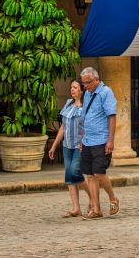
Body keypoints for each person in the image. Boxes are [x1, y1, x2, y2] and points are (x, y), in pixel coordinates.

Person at [79, 66, 120, 219]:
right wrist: (82, 138)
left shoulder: (106, 92)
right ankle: (96, 209)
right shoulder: (88, 94)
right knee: (90, 175)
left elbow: (112, 117)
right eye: (84, 83)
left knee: (99, 173)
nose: (86, 86)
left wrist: (110, 141)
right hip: (88, 140)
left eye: (88, 83)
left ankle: (113, 198)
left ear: (96, 80)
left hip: (101, 140)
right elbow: (85, 117)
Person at [48, 78, 91, 218]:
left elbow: (88, 127)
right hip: (67, 145)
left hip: (79, 146)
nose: (72, 89)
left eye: (75, 87)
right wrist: (54, 145)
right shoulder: (68, 104)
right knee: (69, 177)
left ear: (82, 90)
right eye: (71, 87)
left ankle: (93, 199)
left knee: (75, 172)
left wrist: (85, 143)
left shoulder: (85, 108)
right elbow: (63, 127)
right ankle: (76, 208)